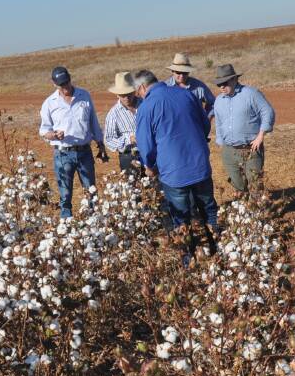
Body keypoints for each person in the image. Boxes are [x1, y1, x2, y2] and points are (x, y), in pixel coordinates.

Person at [133, 69, 217, 257]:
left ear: (141, 87)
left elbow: (145, 144)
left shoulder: (146, 107)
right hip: (199, 165)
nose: (139, 95)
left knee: (181, 217)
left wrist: (149, 165)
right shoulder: (186, 94)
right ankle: (218, 249)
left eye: (138, 92)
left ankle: (189, 258)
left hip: (173, 173)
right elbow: (205, 125)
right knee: (208, 209)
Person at [39, 66, 109, 218]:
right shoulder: (49, 103)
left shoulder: (84, 95)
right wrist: (53, 135)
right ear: (53, 83)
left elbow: (93, 122)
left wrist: (100, 144)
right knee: (65, 195)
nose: (65, 87)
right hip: (63, 154)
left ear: (70, 78)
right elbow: (44, 131)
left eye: (67, 82)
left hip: (85, 152)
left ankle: (94, 223)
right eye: (61, 85)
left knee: (91, 191)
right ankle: (67, 227)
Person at [211, 63, 275, 196]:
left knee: (255, 185)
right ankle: (243, 213)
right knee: (238, 186)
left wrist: (260, 136)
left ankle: (259, 214)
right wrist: (220, 141)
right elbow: (218, 121)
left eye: (224, 82)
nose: (221, 87)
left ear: (234, 79)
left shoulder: (251, 94)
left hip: (251, 148)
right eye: (218, 84)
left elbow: (267, 112)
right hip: (229, 151)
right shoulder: (218, 101)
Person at [103, 72, 144, 178]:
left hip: (151, 153)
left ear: (134, 91)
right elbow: (109, 140)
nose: (126, 98)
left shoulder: (146, 104)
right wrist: (129, 139)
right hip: (129, 156)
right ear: (117, 95)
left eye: (129, 94)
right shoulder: (113, 114)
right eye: (122, 95)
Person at [164, 53, 217, 120]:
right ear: (172, 71)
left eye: (185, 72)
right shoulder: (165, 87)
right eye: (178, 72)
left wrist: (207, 119)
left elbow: (213, 103)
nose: (181, 76)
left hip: (195, 128)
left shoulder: (199, 87)